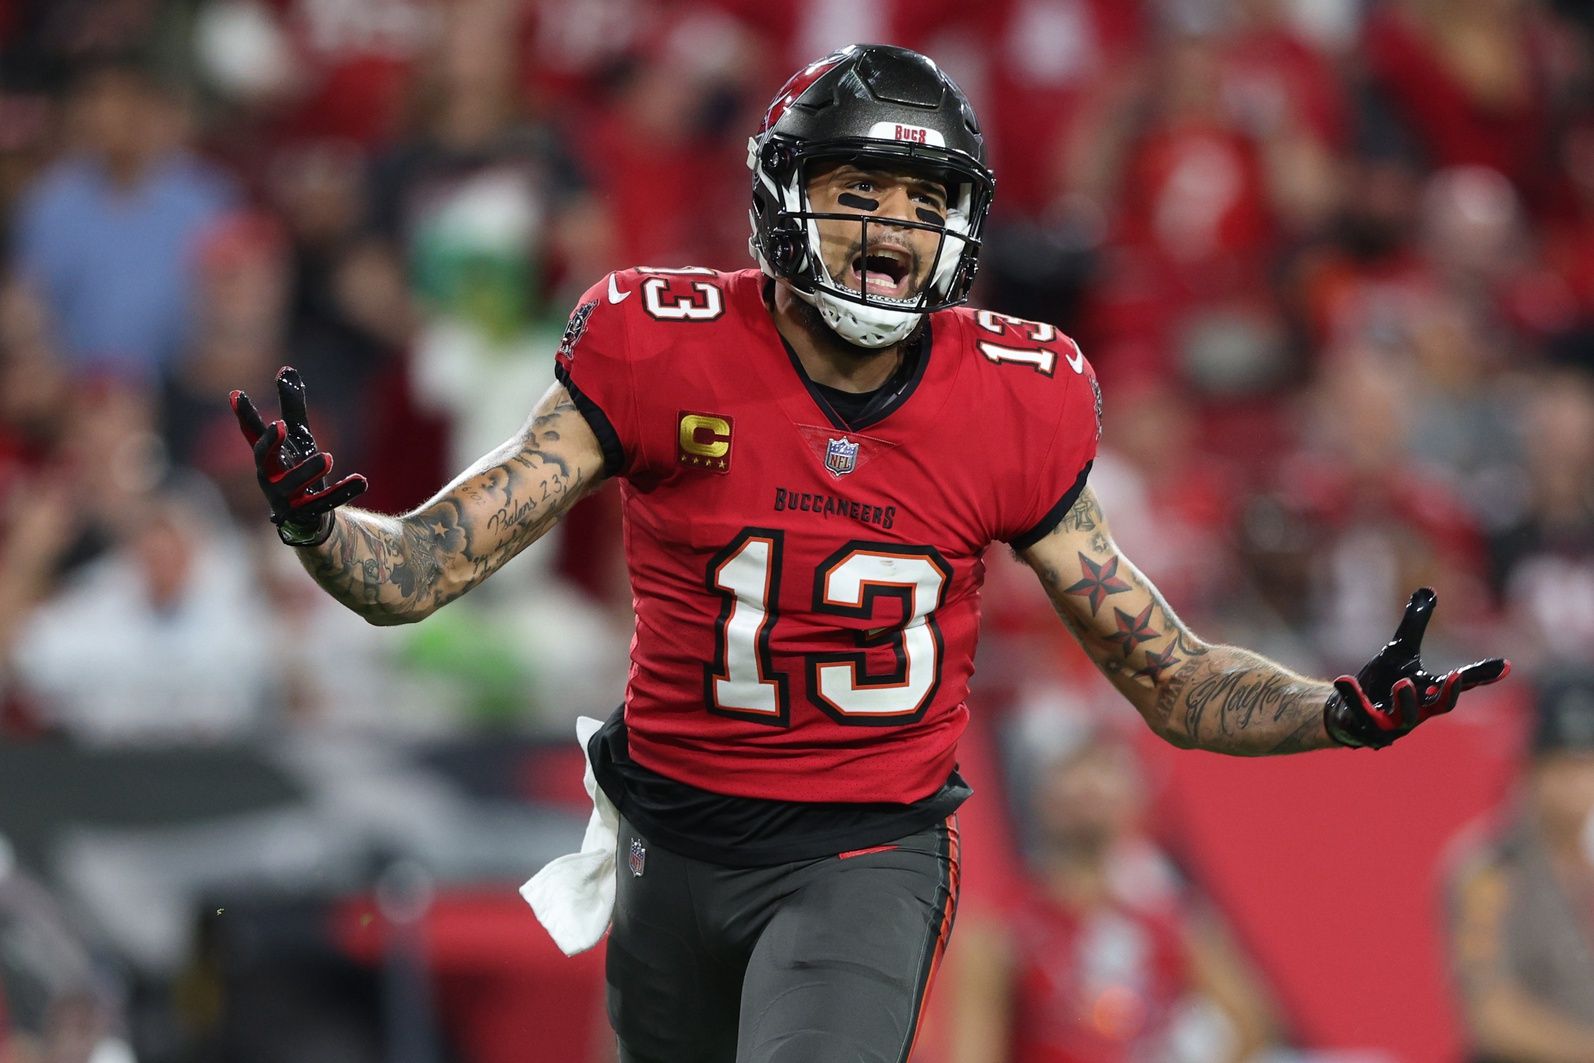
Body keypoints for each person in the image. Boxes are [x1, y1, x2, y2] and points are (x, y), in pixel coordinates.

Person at [230, 44, 1510, 1063]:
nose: (894, 224)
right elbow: (418, 574)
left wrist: (1331, 713)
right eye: (860, 191)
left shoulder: (1016, 394)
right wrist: (317, 525)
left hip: (861, 851)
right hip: (665, 845)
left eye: (925, 197)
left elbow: (1167, 674)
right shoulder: (657, 339)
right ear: (785, 196)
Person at [947, 724, 1276, 1063]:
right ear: (1041, 801)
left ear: (1137, 805)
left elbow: (1252, 1024)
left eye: (1103, 777)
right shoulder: (1001, 924)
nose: (1089, 790)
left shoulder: (1172, 920)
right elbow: (973, 1052)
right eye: (1073, 778)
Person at [1446, 669, 1594, 1062]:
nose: (1578, 785)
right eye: (1563, 767)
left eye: (1588, 766)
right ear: (1531, 770)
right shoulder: (1491, 869)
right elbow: (1493, 1014)